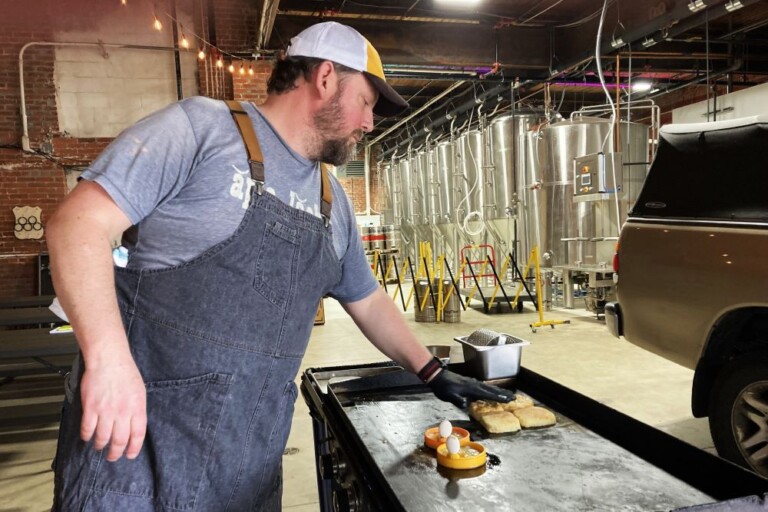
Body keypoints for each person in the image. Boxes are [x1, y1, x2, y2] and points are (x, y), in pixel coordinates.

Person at [47, 21, 514, 510]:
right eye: (367, 102)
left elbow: (368, 298)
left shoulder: (333, 200)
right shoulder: (200, 129)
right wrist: (108, 362)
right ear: (327, 78)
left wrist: (431, 371)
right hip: (135, 458)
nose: (370, 122)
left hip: (247, 469)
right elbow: (77, 226)